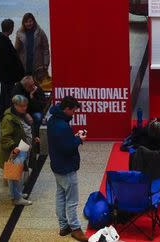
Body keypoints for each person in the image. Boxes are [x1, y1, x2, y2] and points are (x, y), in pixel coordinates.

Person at [47, 96, 88, 242]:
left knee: (60, 196)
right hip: (66, 168)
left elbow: (61, 143)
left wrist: (73, 137)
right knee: (72, 200)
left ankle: (63, 226)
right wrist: (78, 139)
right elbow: (68, 148)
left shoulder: (53, 120)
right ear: (67, 109)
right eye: (73, 111)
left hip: (57, 166)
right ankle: (76, 229)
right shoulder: (63, 126)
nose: (74, 114)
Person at [0, 95, 35, 206]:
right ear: (15, 105)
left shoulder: (18, 114)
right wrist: (14, 148)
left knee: (16, 174)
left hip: (20, 148)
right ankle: (16, 198)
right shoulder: (8, 119)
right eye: (22, 106)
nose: (24, 108)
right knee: (13, 176)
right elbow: (5, 137)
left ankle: (17, 194)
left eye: (26, 106)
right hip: (13, 152)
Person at [0, 19, 25, 121]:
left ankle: (1, 115)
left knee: (3, 95)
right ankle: (7, 116)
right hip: (8, 76)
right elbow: (10, 61)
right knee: (8, 97)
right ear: (11, 29)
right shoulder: (5, 42)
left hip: (2, 74)